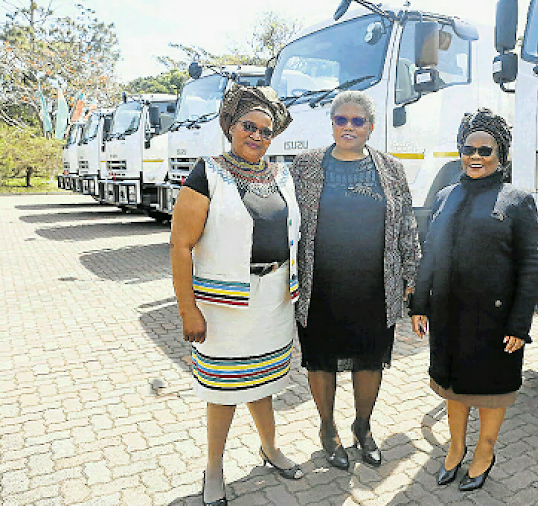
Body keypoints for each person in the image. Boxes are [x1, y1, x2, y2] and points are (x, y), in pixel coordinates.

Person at [170, 85, 301, 506]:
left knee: (262, 384)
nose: (258, 136)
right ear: (230, 126)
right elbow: (180, 245)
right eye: (249, 126)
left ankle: (269, 448)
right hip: (223, 306)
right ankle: (213, 468)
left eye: (266, 130)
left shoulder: (282, 174)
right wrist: (188, 309)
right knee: (223, 389)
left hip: (273, 300)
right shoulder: (206, 173)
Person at [410, 108, 538, 492]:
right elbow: (429, 252)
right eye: (469, 149)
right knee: (453, 387)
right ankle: (454, 449)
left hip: (496, 320)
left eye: (486, 151)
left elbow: (531, 266)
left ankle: (484, 452)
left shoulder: (518, 201)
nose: (476, 157)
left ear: (500, 155)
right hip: (449, 314)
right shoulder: (446, 196)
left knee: (490, 389)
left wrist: (520, 324)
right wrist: (420, 303)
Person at [290, 90, 421, 470]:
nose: (348, 127)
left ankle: (362, 427)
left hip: (374, 287)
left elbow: (407, 224)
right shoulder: (306, 166)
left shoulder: (391, 169)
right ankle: (327, 429)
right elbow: (290, 223)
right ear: (332, 124)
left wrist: (412, 276)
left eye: (357, 121)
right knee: (321, 362)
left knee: (370, 362)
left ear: (370, 127)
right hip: (321, 287)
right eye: (340, 120)